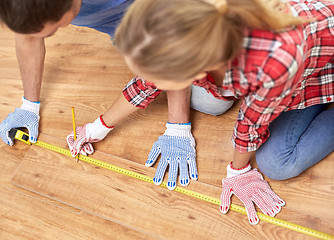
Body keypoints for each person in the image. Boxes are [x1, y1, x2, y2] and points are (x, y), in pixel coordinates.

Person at [108, 0, 333, 225]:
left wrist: (238, 171)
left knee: (277, 164)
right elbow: (147, 81)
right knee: (211, 103)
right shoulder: (197, 31)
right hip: (291, 73)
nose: (153, 82)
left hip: (318, 73)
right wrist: (99, 126)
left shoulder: (275, 59)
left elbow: (252, 123)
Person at [0, 0, 234, 191]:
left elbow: (173, 35)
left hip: (171, 15)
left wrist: (178, 125)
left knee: (213, 102)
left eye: (52, 30)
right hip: (134, 27)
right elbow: (29, 33)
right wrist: (29, 105)